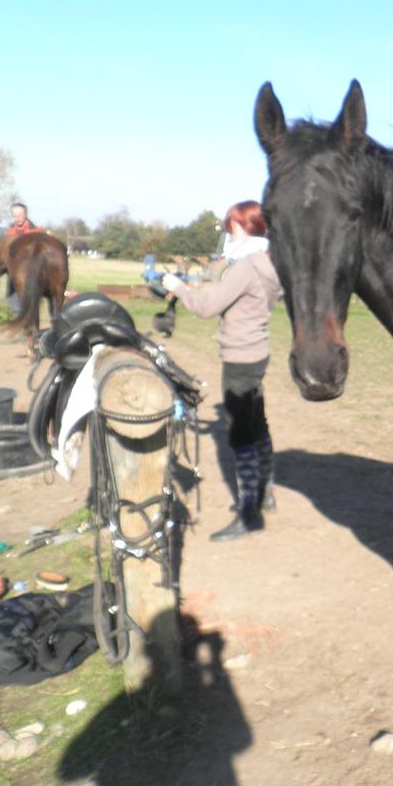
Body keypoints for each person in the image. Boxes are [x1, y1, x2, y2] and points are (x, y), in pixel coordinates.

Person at [163, 200, 282, 541]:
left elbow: (206, 306)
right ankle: (266, 492)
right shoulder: (269, 262)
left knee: (240, 434)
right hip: (257, 351)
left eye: (232, 226)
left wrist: (178, 287)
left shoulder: (246, 267)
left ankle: (249, 514)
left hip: (240, 357)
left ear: (245, 226)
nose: (229, 232)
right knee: (257, 424)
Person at [4, 202, 43, 313]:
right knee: (13, 299)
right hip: (14, 271)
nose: (18, 218)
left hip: (31, 271)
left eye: (20, 216)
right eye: (15, 216)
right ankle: (16, 318)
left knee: (29, 299)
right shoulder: (9, 232)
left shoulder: (36, 231)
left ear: (25, 214)